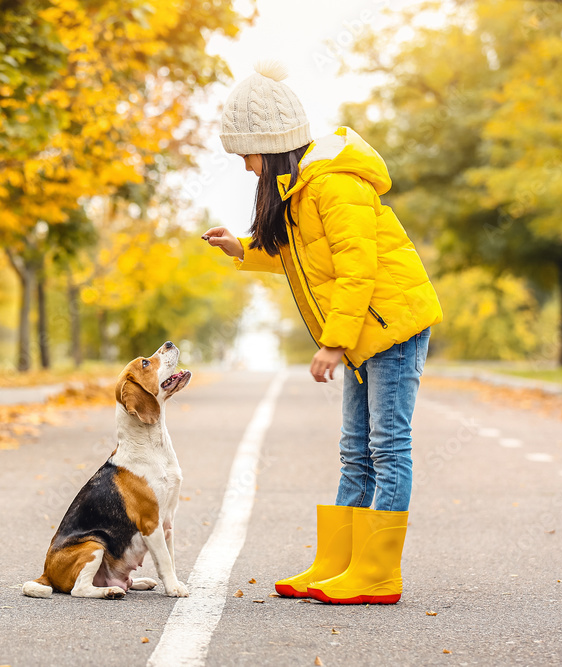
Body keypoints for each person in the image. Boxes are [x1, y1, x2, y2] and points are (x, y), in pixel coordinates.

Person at [203, 60, 442, 604]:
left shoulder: (333, 185)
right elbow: (302, 259)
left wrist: (333, 343)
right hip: (363, 330)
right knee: (354, 450)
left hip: (391, 328)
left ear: (270, 142)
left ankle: (377, 572)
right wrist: (242, 249)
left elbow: (358, 270)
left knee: (387, 445)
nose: (245, 168)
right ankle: (339, 562)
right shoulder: (299, 190)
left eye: (247, 155)